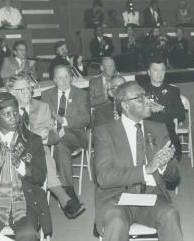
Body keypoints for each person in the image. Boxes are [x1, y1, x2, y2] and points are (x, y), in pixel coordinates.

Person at [94, 81, 183, 241]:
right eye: (140, 98)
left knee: (170, 215)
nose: (147, 101)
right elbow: (104, 178)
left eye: (146, 97)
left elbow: (174, 175)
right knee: (116, 221)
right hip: (117, 198)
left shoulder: (159, 128)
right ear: (125, 105)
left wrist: (163, 166)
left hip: (152, 196)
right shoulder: (105, 133)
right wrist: (146, 169)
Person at [0, 92, 52, 240]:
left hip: (25, 200)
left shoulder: (32, 141)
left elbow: (40, 177)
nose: (13, 118)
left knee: (28, 234)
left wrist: (20, 165)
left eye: (15, 112)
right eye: (7, 114)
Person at [6, 74, 85, 219]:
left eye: (29, 88)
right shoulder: (5, 109)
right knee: (39, 148)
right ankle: (64, 199)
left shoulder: (42, 107)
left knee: (41, 150)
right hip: (14, 152)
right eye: (22, 90)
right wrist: (35, 136)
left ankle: (63, 199)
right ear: (11, 92)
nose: (28, 92)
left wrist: (46, 135)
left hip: (37, 152)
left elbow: (51, 136)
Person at [41, 65, 90, 210]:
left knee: (60, 143)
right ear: (54, 80)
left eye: (66, 77)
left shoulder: (81, 94)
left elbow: (86, 119)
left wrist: (64, 121)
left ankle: (64, 189)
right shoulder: (46, 95)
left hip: (75, 134)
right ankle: (68, 192)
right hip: (53, 135)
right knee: (59, 145)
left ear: (72, 78)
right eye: (59, 78)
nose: (63, 81)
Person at [138, 56, 186, 161]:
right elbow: (134, 112)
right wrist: (147, 109)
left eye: (162, 70)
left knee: (172, 166)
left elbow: (181, 114)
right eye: (155, 70)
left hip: (167, 132)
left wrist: (163, 108)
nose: (159, 73)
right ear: (149, 72)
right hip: (146, 132)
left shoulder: (173, 90)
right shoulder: (140, 89)